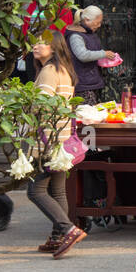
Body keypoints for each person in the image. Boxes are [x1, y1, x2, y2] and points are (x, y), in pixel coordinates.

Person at [27, 30, 86, 257]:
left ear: (55, 47)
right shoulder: (63, 69)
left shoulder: (49, 71)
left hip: (47, 140)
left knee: (36, 190)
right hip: (61, 139)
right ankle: (57, 237)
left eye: (43, 42)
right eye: (36, 41)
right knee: (57, 190)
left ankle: (68, 229)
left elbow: (41, 106)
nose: (37, 45)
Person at [66, 5, 117, 105]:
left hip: (91, 80)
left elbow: (93, 52)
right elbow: (83, 55)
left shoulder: (89, 33)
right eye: (97, 22)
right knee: (86, 114)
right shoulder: (75, 35)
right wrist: (103, 54)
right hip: (82, 83)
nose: (99, 25)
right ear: (86, 20)